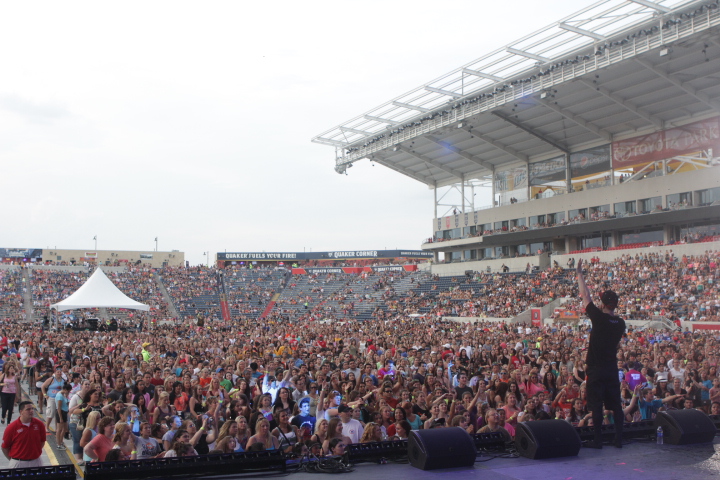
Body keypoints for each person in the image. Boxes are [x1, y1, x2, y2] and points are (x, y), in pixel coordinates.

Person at [576, 259, 625, 449]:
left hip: (596, 370)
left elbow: (585, 295)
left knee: (597, 405)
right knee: (616, 405)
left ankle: (598, 441)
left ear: (603, 303)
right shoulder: (620, 323)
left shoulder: (599, 318)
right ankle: (618, 439)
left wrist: (580, 273)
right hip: (611, 369)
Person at [1, 401, 46, 468]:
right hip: (18, 463)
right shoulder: (11, 427)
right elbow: (5, 447)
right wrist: (13, 460)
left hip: (36, 462)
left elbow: (42, 441)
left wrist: (33, 453)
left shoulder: (39, 424)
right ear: (21, 412)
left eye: (32, 409)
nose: (31, 411)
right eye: (28, 409)